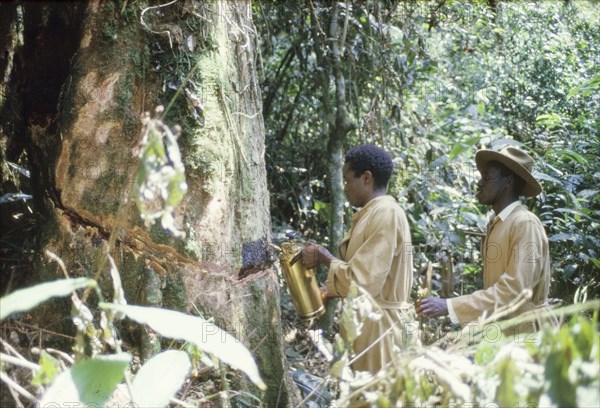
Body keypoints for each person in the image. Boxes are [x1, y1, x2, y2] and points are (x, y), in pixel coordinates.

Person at [416, 146, 556, 334]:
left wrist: (450, 306)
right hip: (504, 330)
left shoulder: (525, 224)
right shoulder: (498, 223)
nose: (479, 183)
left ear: (508, 182)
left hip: (527, 333)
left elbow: (514, 290)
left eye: (488, 178)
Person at [301, 144, 416, 374]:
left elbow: (363, 283)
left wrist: (324, 257)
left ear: (366, 178)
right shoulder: (371, 213)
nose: (345, 188)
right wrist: (330, 290)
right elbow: (369, 273)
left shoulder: (386, 214)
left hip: (382, 333)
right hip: (367, 328)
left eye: (347, 180)